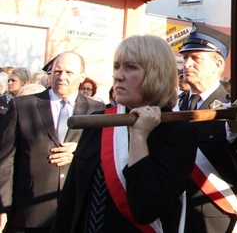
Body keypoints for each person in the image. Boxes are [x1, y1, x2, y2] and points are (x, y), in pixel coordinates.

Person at [52, 35, 199, 231]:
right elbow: (70, 202)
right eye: (116, 67)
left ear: (157, 73)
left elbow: (146, 209)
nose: (118, 76)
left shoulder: (177, 132)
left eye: (130, 67)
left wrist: (139, 137)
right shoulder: (99, 120)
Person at [0, 52, 104, 232]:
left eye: (69, 73)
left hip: (76, 212)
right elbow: (5, 160)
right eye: (57, 71)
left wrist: (78, 152)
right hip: (29, 214)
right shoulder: (23, 106)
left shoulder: (98, 111)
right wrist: (2, 207)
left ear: (82, 77)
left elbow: (106, 154)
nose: (62, 77)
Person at [179, 26, 237, 232]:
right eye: (184, 58)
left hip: (212, 219)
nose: (186, 64)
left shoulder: (233, 108)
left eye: (195, 58)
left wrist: (235, 137)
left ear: (217, 64)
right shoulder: (175, 106)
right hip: (174, 216)